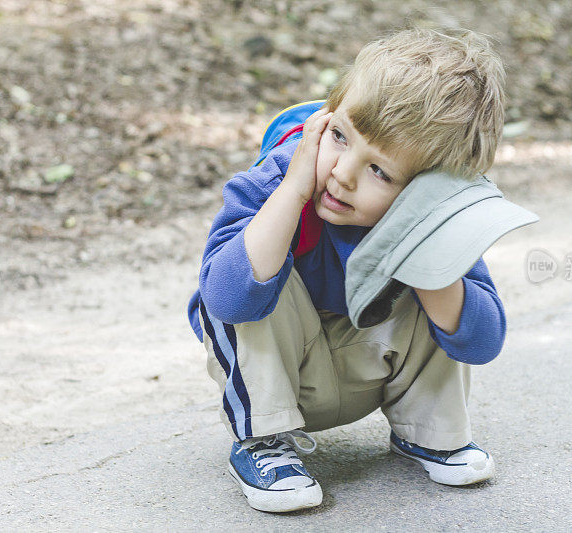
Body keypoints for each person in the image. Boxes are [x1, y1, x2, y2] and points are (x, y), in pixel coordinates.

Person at [186, 27, 507, 513]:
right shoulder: (278, 177)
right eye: (339, 137)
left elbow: (482, 341)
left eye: (380, 171)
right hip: (285, 374)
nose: (342, 173)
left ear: (428, 192)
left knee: (443, 281)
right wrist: (290, 196)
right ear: (325, 119)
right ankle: (263, 442)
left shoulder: (433, 222)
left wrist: (425, 253)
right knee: (252, 266)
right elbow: (225, 300)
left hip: (373, 365)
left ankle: (431, 433)